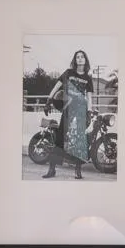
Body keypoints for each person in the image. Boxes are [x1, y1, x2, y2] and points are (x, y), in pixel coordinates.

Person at [42, 49, 94, 179]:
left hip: (81, 109)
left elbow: (89, 97)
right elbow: (57, 86)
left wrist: (89, 112)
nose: (80, 59)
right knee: (60, 138)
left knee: (79, 140)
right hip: (68, 109)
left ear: (85, 60)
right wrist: (48, 100)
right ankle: (52, 169)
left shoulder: (88, 78)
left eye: (82, 57)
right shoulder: (69, 72)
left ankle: (78, 170)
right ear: (75, 60)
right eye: (77, 57)